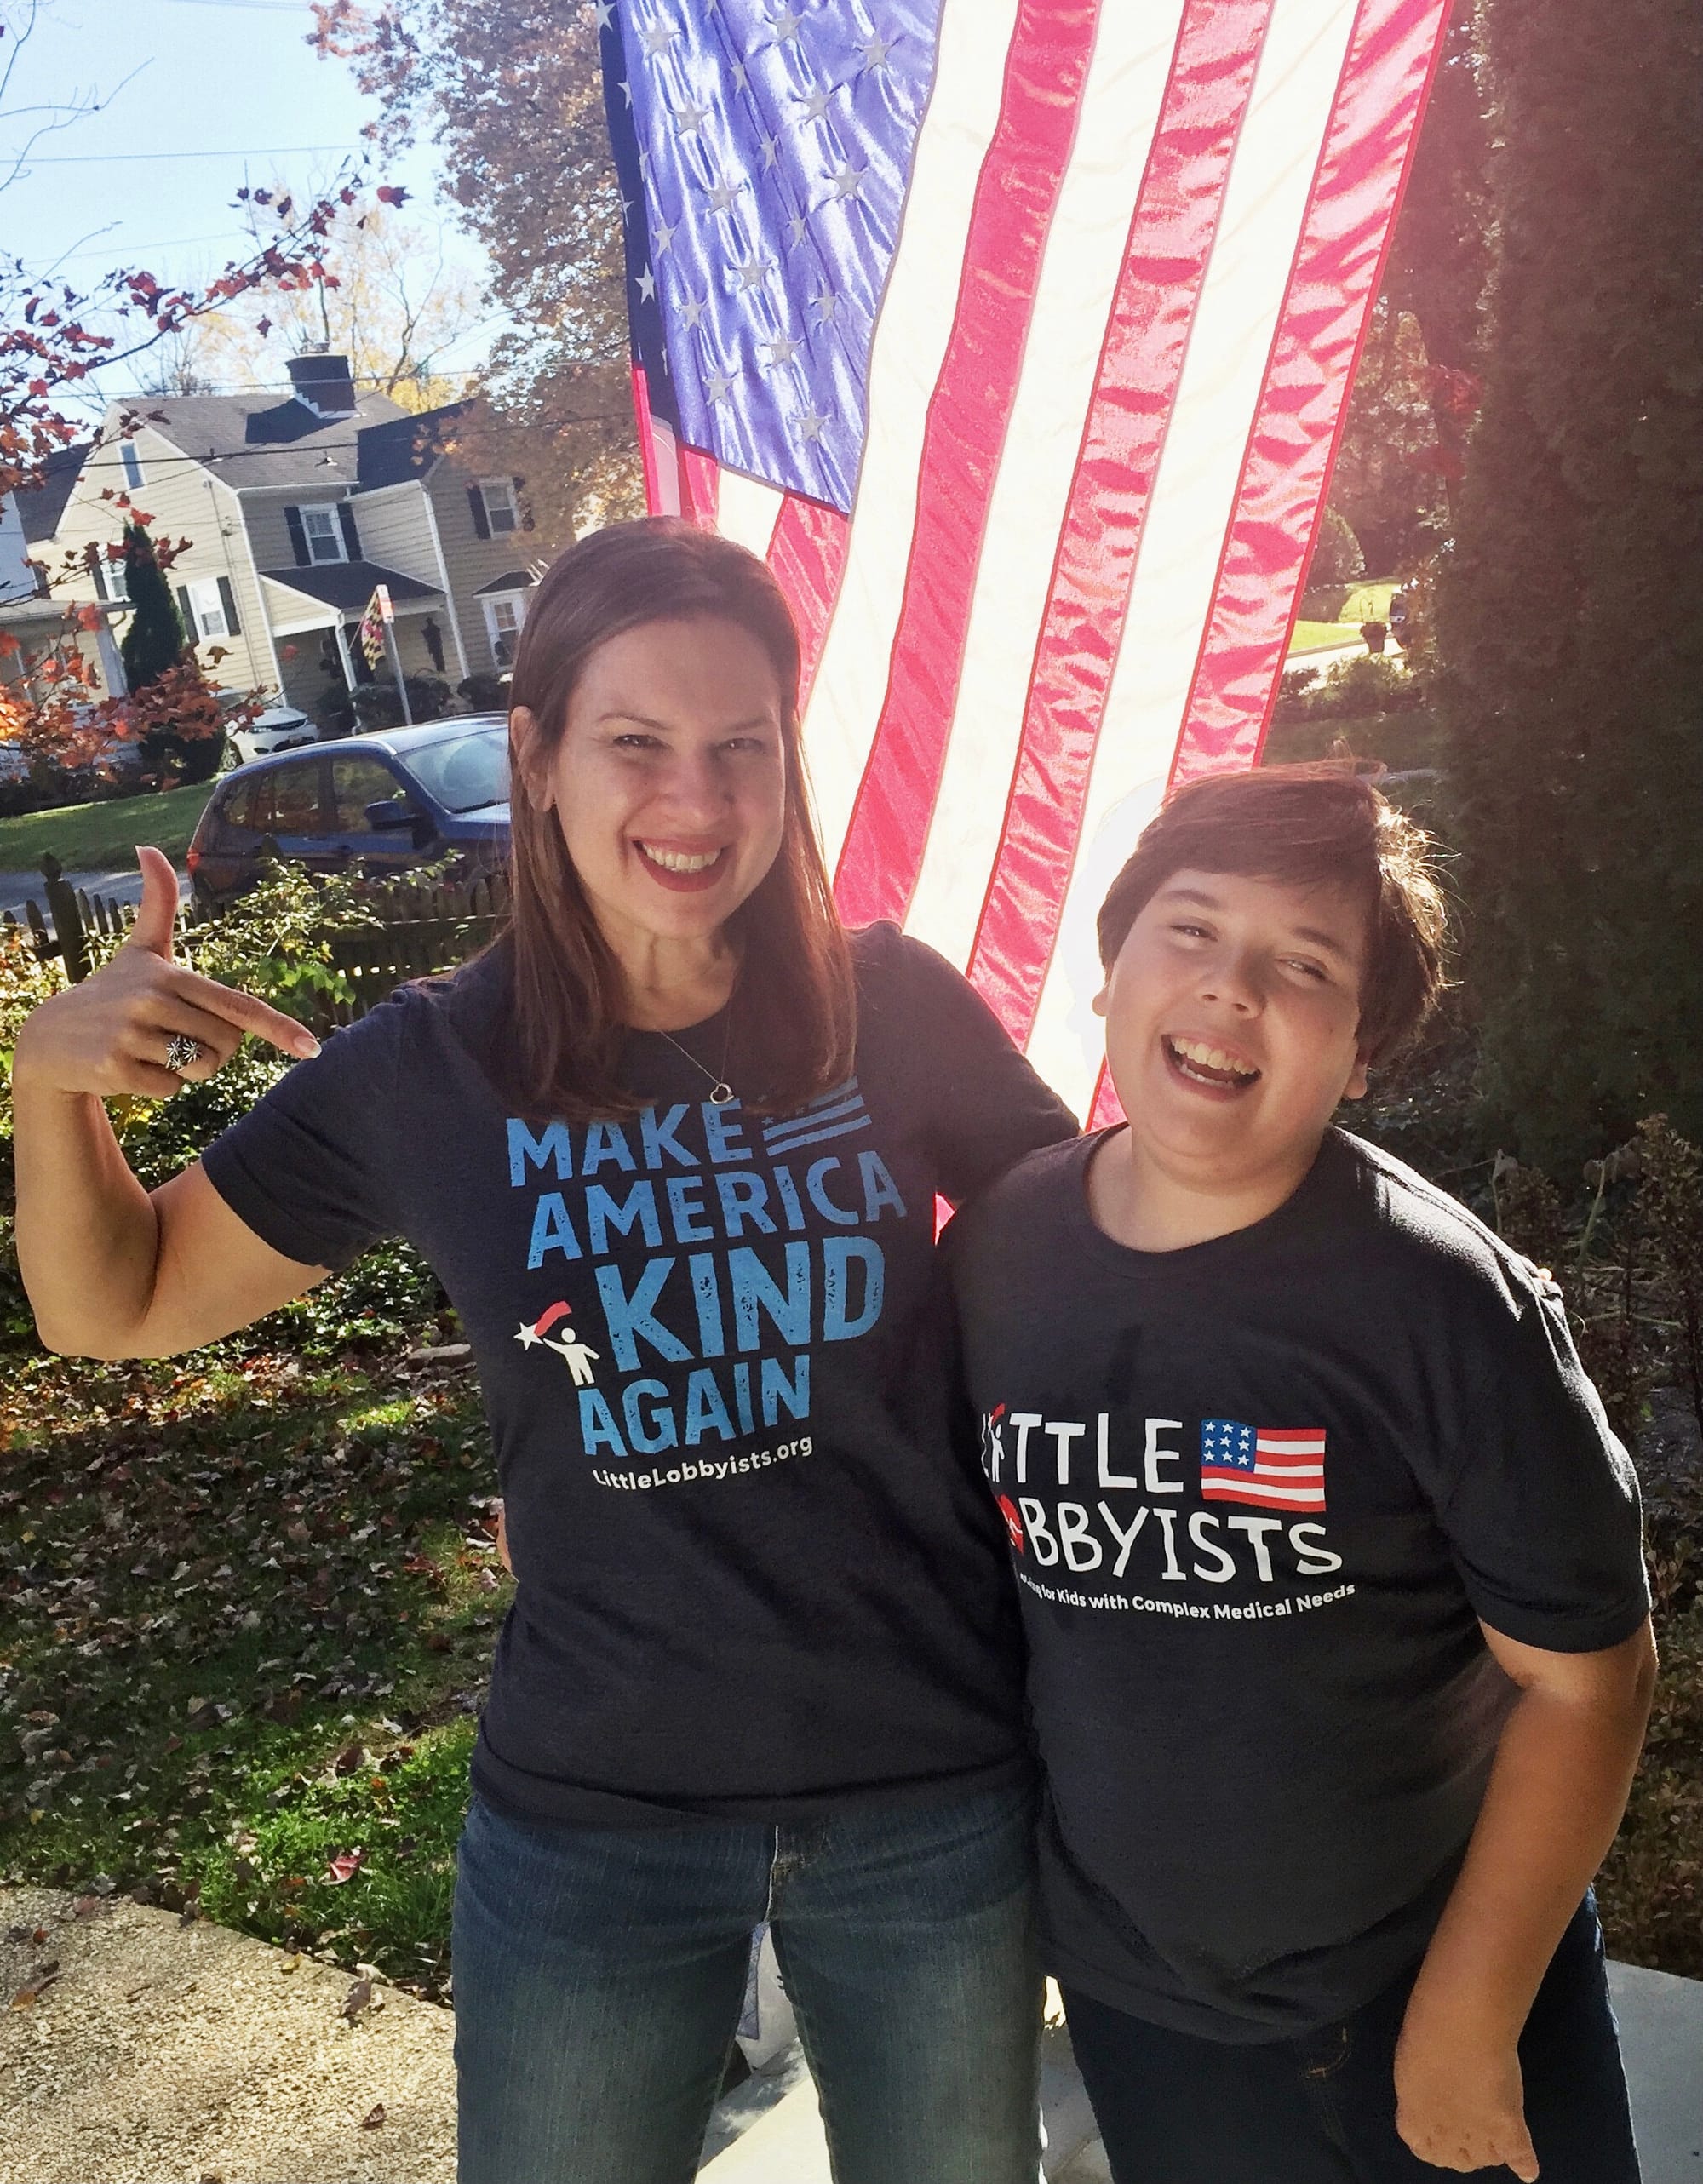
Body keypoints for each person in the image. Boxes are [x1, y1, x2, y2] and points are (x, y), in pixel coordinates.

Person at [12, 518, 1077, 2184]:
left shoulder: (895, 1007)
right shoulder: (434, 1066)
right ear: (539, 753)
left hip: (924, 1788)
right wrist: (50, 1085)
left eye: (743, 747)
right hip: (595, 1817)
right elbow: (115, 1303)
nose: (697, 803)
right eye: (636, 743)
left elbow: (1113, 1265)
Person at [944, 765, 1654, 2183]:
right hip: (1155, 2020)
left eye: (1305, 963)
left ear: (1364, 1051)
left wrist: (1468, 2017)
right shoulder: (997, 1257)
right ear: (1113, 962)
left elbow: (1589, 1680)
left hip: (1446, 1985)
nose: (1230, 991)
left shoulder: (1444, 1302)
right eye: (1191, 930)